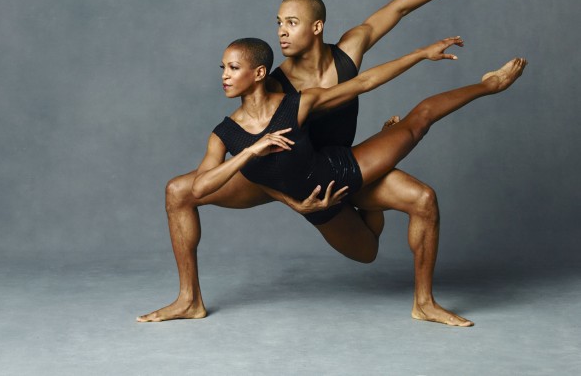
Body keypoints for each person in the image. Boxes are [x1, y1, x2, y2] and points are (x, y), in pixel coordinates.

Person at [137, 0, 511, 326]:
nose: (281, 30)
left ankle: (425, 302)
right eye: (278, 23)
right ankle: (189, 299)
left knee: (404, 216)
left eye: (291, 22)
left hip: (337, 166)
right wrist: (293, 201)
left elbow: (398, 9)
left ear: (316, 27)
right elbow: (263, 159)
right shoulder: (275, 84)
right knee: (178, 191)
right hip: (276, 175)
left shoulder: (347, 54)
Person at [192, 38, 525, 323]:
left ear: (259, 73)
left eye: (233, 68)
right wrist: (250, 152)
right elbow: (199, 187)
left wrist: (421, 53)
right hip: (324, 204)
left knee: (418, 124)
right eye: (222, 68)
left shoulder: (297, 103)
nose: (224, 76)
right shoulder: (224, 135)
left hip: (345, 167)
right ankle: (373, 200)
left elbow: (363, 83)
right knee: (368, 250)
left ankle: (488, 85)